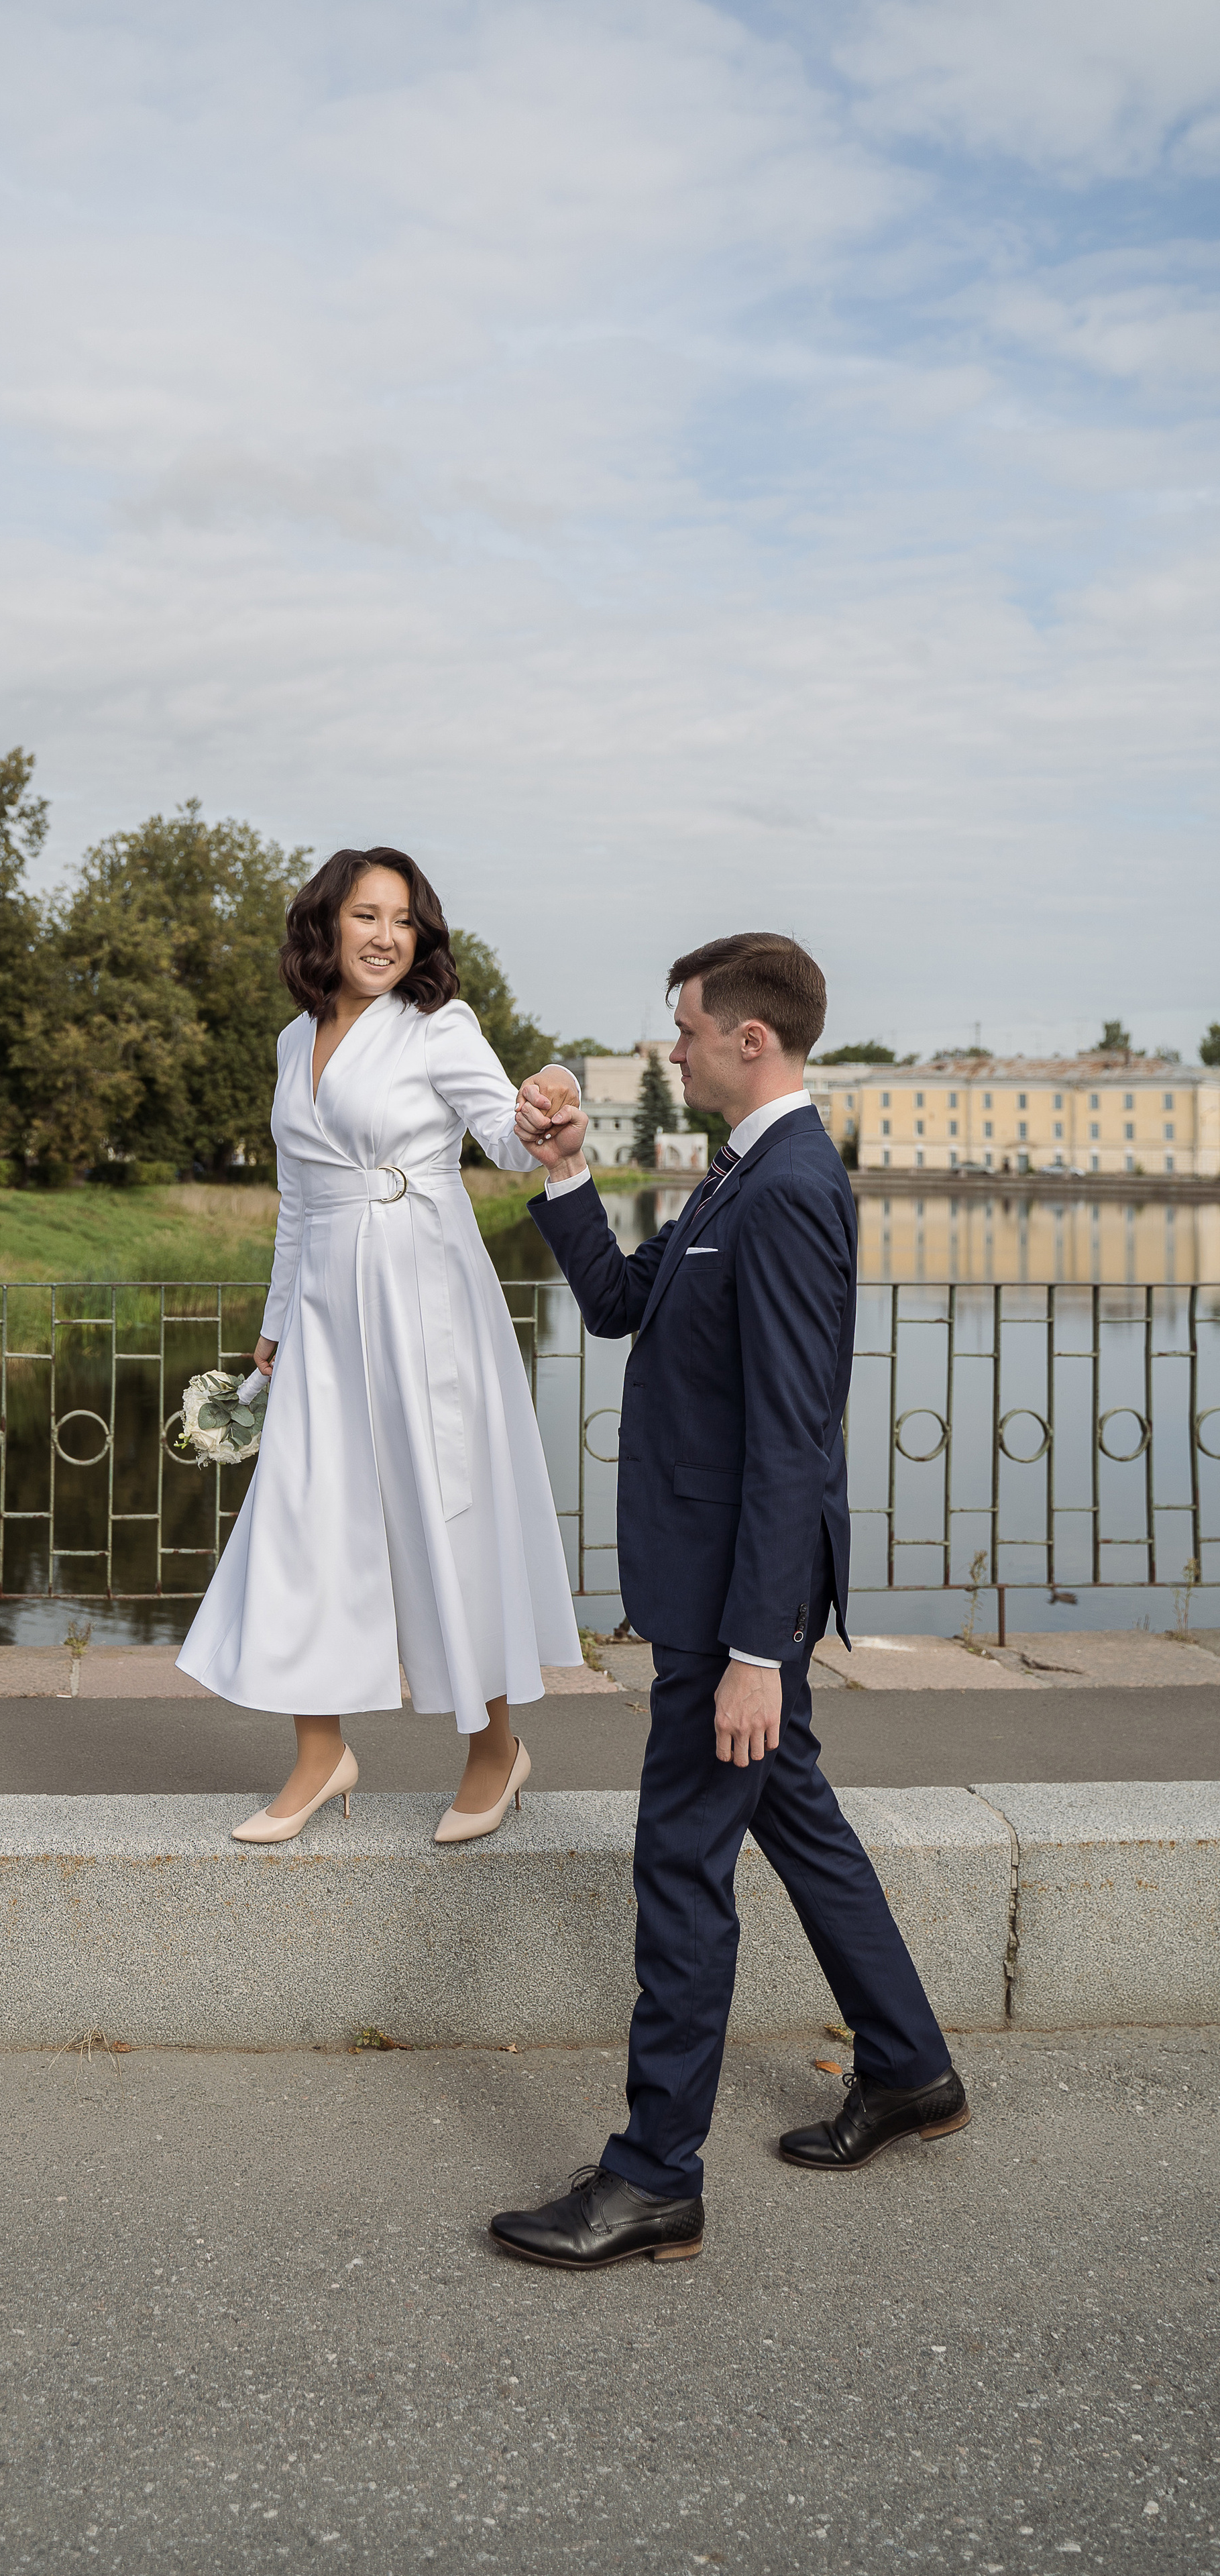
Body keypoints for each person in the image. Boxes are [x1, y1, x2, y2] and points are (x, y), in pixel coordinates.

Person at [488, 932, 969, 2270]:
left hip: (726, 1613)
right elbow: (616, 1305)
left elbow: (792, 1440)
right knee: (795, 1818)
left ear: (747, 1039)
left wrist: (759, 1648)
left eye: (683, 1030)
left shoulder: (793, 1187)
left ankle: (652, 2178)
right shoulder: (736, 1178)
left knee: (681, 1867)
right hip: (712, 1591)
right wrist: (565, 1173)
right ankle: (910, 2069)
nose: (672, 1049)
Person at [176, 847, 586, 1843]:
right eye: (367, 915)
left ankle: (496, 1749)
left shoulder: (439, 1027)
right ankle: (322, 1753)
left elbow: (506, 1129)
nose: (386, 936)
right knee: (305, 1517)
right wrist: (273, 1328)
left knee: (443, 1516)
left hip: (424, 1299)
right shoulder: (292, 1043)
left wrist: (556, 1099)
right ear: (326, 924)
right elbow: (299, 1201)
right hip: (320, 1311)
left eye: (404, 921)